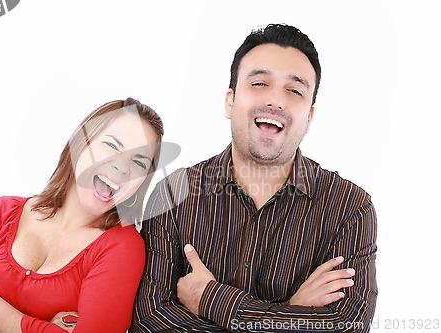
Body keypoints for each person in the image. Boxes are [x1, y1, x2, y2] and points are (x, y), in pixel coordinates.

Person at [130, 24, 377, 332]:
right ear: (230, 102)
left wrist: (211, 298)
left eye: (295, 90)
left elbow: (347, 325)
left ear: (309, 117)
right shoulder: (173, 193)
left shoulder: (349, 208)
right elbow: (150, 321)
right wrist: (292, 314)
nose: (276, 100)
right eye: (260, 83)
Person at [0, 97, 164, 333]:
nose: (122, 167)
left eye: (139, 162)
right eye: (112, 145)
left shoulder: (123, 247)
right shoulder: (2, 211)